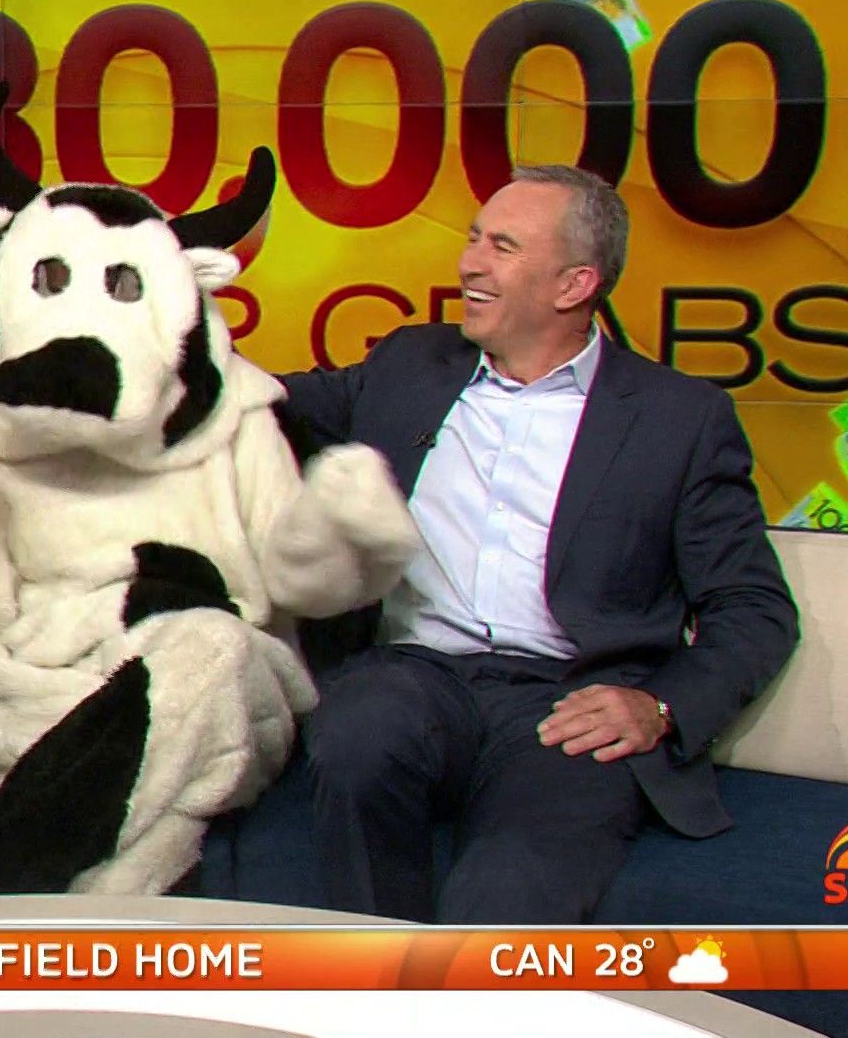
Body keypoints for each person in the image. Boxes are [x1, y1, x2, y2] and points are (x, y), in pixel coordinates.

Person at [277, 164, 799, 923]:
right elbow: (255, 400)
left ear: (574, 284)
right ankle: (376, 972)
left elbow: (752, 607)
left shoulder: (680, 418)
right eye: (473, 238)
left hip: (568, 700)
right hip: (417, 676)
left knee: (506, 893)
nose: (469, 263)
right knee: (360, 729)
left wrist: (660, 704)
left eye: (503, 247)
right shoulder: (409, 366)